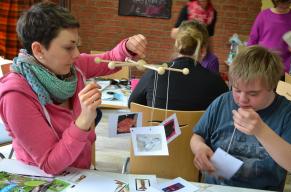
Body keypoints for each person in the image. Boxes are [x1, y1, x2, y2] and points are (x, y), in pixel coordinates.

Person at [0, 2, 147, 175]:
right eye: (69, 47)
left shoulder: (73, 67)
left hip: (79, 173)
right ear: (39, 50)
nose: (77, 54)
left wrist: (128, 47)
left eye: (76, 45)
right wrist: (84, 120)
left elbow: (109, 59)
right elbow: (50, 164)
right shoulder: (15, 96)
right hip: (44, 182)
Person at [190, 45, 291, 191]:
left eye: (253, 94)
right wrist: (200, 148)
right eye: (237, 90)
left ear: (272, 86)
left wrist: (261, 131)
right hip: (215, 188)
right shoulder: (223, 101)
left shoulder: (289, 114)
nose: (242, 99)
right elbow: (197, 136)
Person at [128, 20, 228, 111]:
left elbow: (132, 105)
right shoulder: (217, 82)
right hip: (194, 131)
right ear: (203, 50)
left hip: (157, 130)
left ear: (177, 45)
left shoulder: (156, 71)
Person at [247, 0, 291, 74]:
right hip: (262, 65)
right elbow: (252, 41)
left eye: (288, 2)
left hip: (283, 68)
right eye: (281, 2)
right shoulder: (263, 15)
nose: (284, 6)